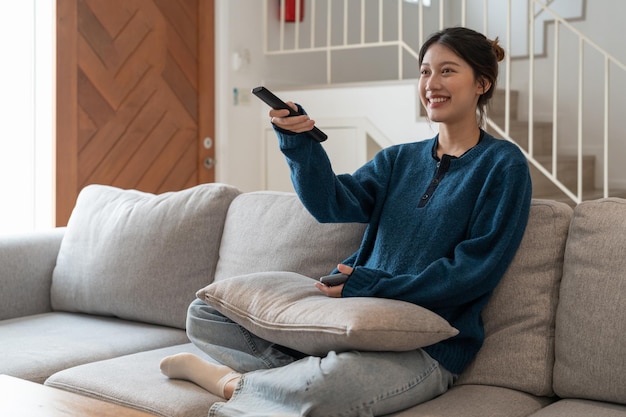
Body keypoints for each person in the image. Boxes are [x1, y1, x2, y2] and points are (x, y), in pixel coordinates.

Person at [159, 26, 532, 416]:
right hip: (352, 321)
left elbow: (474, 270)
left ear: (482, 83)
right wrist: (299, 144)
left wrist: (371, 284)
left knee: (330, 394)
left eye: (447, 71)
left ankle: (230, 382)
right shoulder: (398, 159)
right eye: (424, 71)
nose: (431, 83)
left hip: (426, 345)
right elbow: (331, 204)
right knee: (205, 314)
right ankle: (300, 376)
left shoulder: (502, 165)